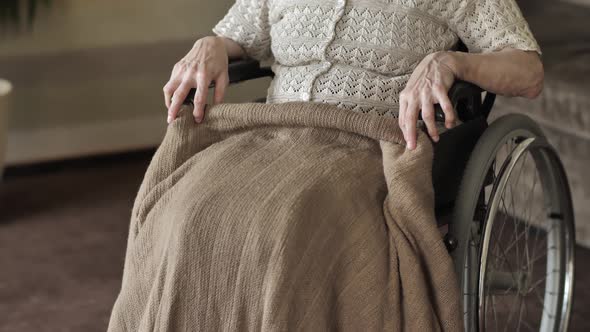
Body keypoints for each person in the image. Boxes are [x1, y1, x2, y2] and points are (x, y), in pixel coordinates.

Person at [163, 0, 543, 151]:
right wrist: (210, 45)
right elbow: (236, 37)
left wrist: (453, 63)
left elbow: (528, 71)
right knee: (183, 203)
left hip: (370, 147)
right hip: (272, 133)